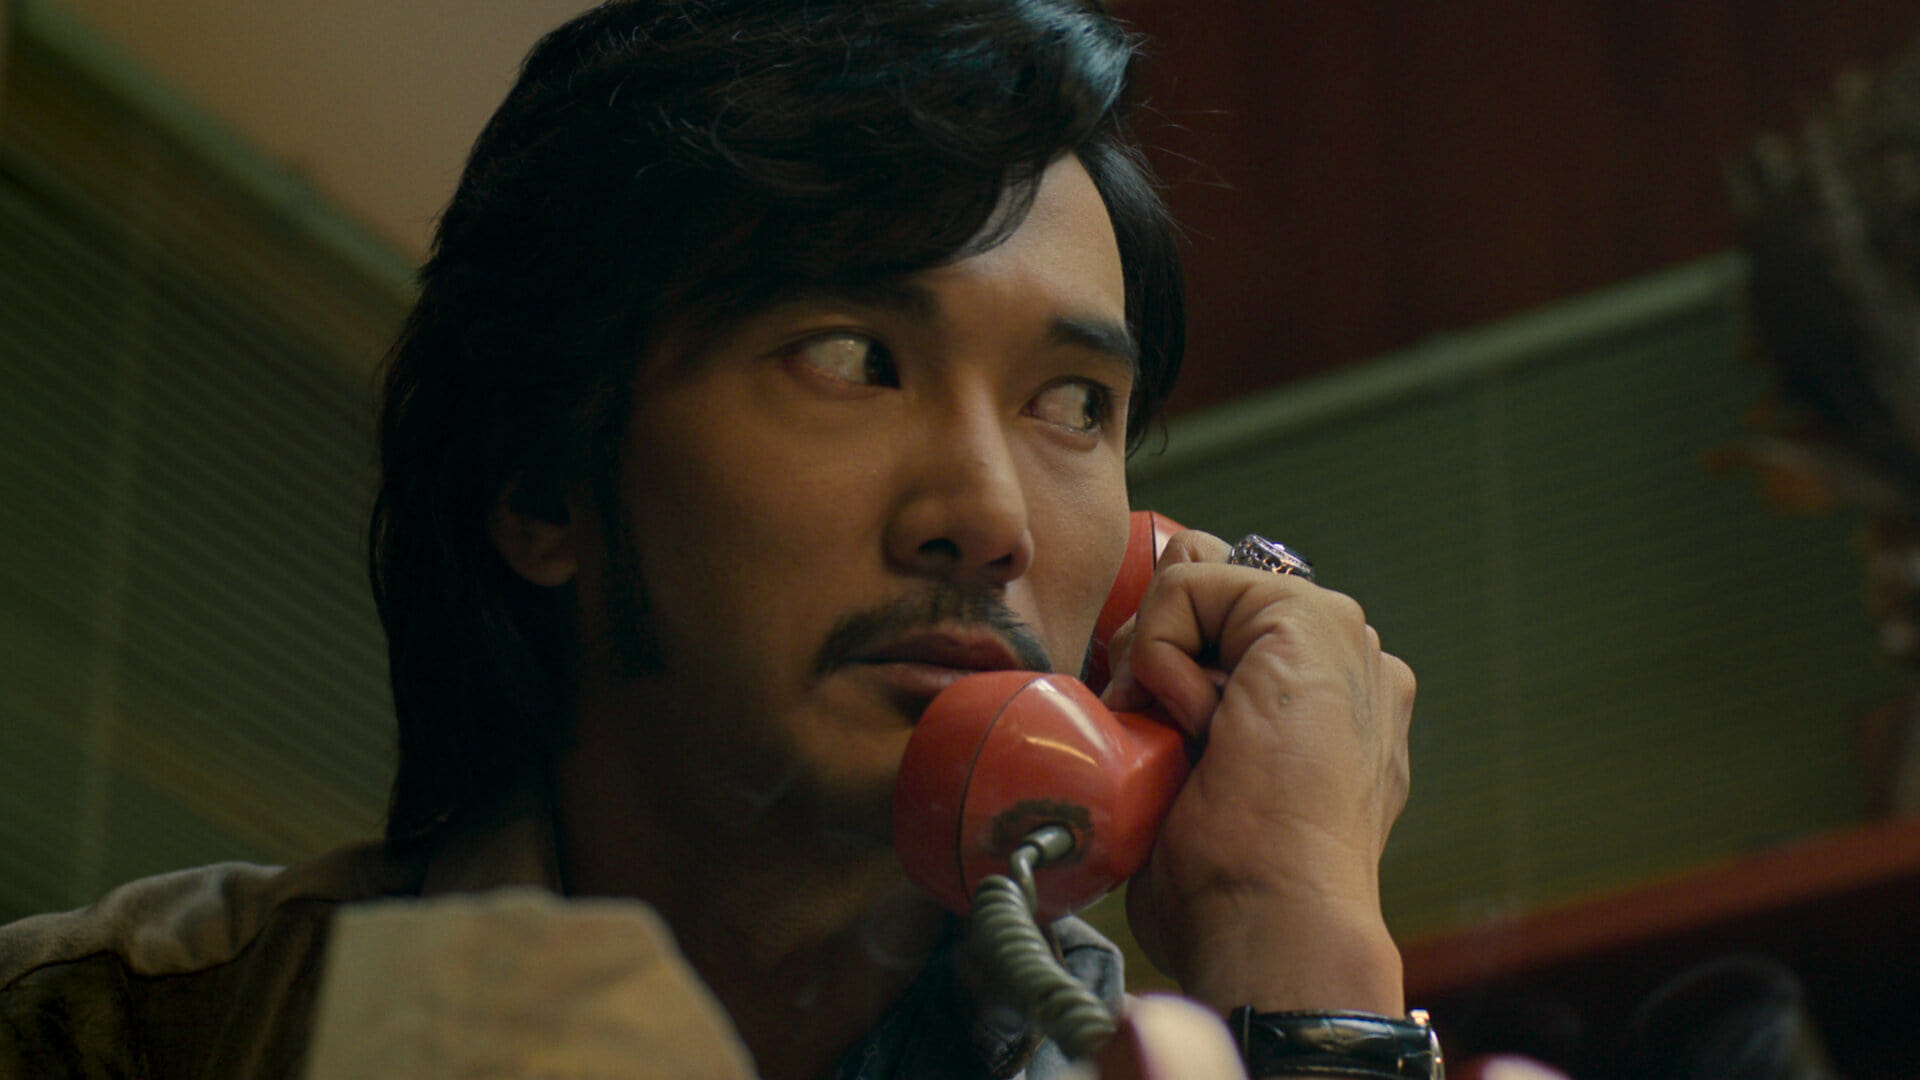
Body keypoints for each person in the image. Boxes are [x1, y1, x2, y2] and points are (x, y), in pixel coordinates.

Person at [0, 1, 1420, 1077]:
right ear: (544, 486)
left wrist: (1293, 945)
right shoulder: (109, 1036)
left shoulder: (1141, 1059)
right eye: (852, 358)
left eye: (1071, 404)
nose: (989, 519)